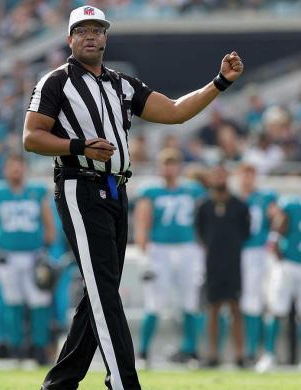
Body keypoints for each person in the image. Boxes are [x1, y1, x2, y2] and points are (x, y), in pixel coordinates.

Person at [23, 5, 243, 390]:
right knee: (104, 289)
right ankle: (124, 382)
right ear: (69, 38)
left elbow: (174, 111)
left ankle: (60, 383)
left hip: (116, 190)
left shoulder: (121, 83)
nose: (90, 36)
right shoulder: (56, 81)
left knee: (99, 291)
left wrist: (219, 82)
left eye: (97, 29)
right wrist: (79, 146)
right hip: (81, 185)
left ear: (106, 37)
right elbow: (31, 137)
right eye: (82, 30)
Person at [0, 153, 56, 365]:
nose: (16, 170)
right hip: (8, 256)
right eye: (12, 166)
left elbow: (49, 224)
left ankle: (39, 348)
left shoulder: (37, 191)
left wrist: (45, 249)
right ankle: (15, 347)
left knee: (39, 302)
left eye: (19, 166)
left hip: (34, 255)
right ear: (4, 169)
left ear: (24, 168)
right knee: (13, 302)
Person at [134, 148, 206, 366]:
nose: (169, 168)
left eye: (172, 163)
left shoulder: (193, 190)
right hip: (160, 249)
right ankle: (144, 353)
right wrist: (143, 252)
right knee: (154, 303)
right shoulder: (151, 191)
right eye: (165, 163)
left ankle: (191, 352)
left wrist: (202, 248)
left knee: (190, 302)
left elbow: (202, 221)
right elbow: (142, 222)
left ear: (180, 166)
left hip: (188, 248)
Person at [195, 164, 250, 367]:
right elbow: (200, 233)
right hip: (213, 263)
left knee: (236, 307)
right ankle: (212, 355)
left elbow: (245, 232)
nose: (219, 178)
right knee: (213, 307)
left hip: (233, 262)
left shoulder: (239, 205)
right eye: (215, 174)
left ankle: (240, 355)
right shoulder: (204, 205)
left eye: (222, 174)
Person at [255, 193, 301, 373]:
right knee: (276, 309)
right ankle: (269, 354)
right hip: (288, 262)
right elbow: (280, 222)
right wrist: (274, 241)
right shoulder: (292, 203)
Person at [236, 162, 277, 362]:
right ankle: (250, 350)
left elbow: (276, 219)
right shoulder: (234, 199)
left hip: (261, 251)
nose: (247, 178)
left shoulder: (265, 197)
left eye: (251, 174)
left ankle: (262, 351)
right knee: (246, 302)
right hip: (240, 253)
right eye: (244, 174)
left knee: (265, 301)